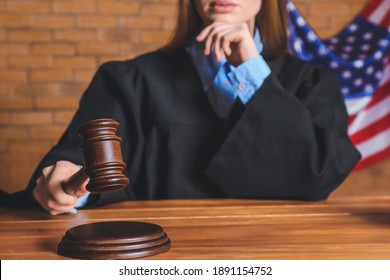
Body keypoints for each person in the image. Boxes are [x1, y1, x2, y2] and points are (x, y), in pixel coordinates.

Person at [11, 0, 361, 215]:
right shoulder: (129, 80)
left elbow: (318, 173)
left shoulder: (313, 83)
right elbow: (79, 161)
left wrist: (253, 73)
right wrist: (68, 186)